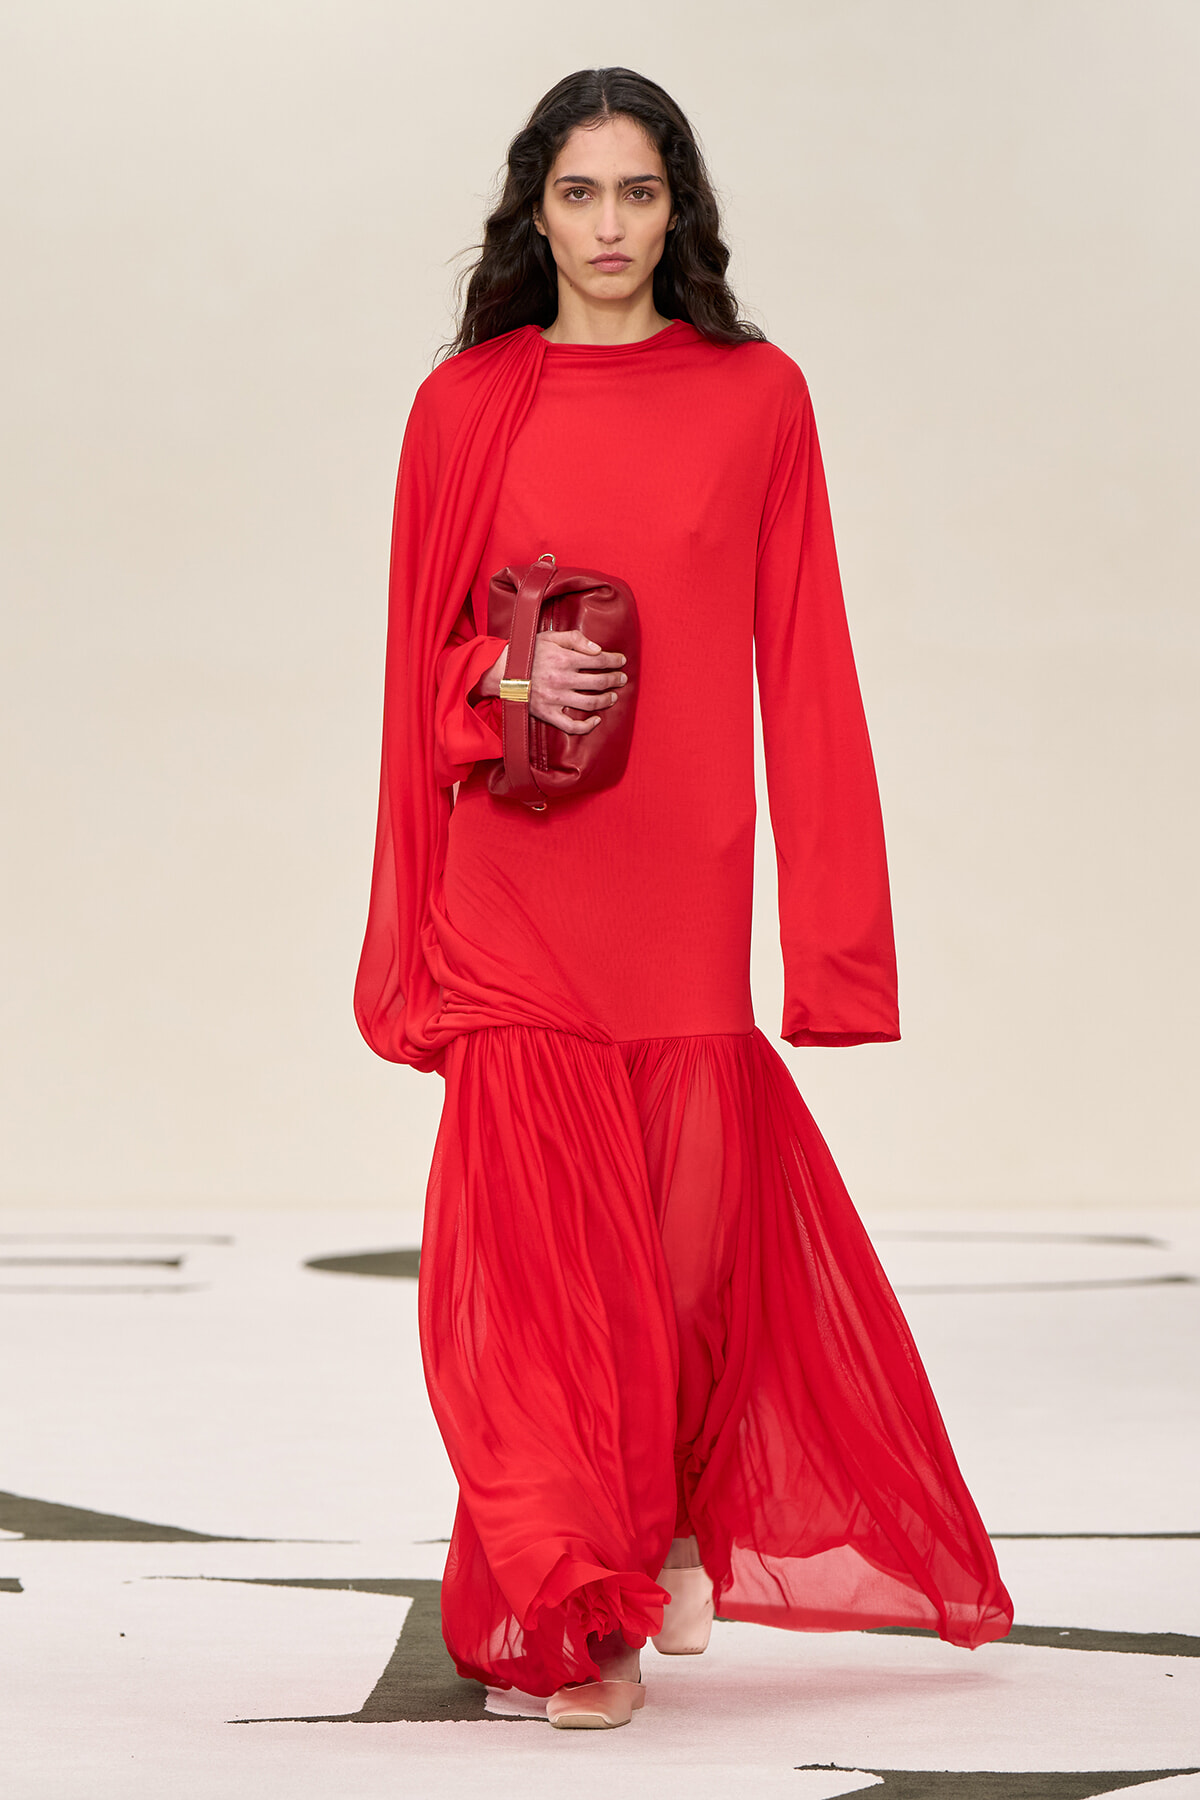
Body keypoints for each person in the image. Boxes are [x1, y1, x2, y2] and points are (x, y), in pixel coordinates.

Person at [355, 66, 1013, 1730]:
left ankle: (662, 1525)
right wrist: (492, 694)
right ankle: (590, 1608)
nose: (607, 227)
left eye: (637, 193)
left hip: (680, 875)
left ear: (680, 211)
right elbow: (412, 665)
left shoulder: (758, 396)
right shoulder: (465, 406)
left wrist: (837, 949)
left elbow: (807, 662)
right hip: (513, 875)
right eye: (578, 194)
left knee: (680, 1257)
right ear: (534, 211)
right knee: (523, 1265)